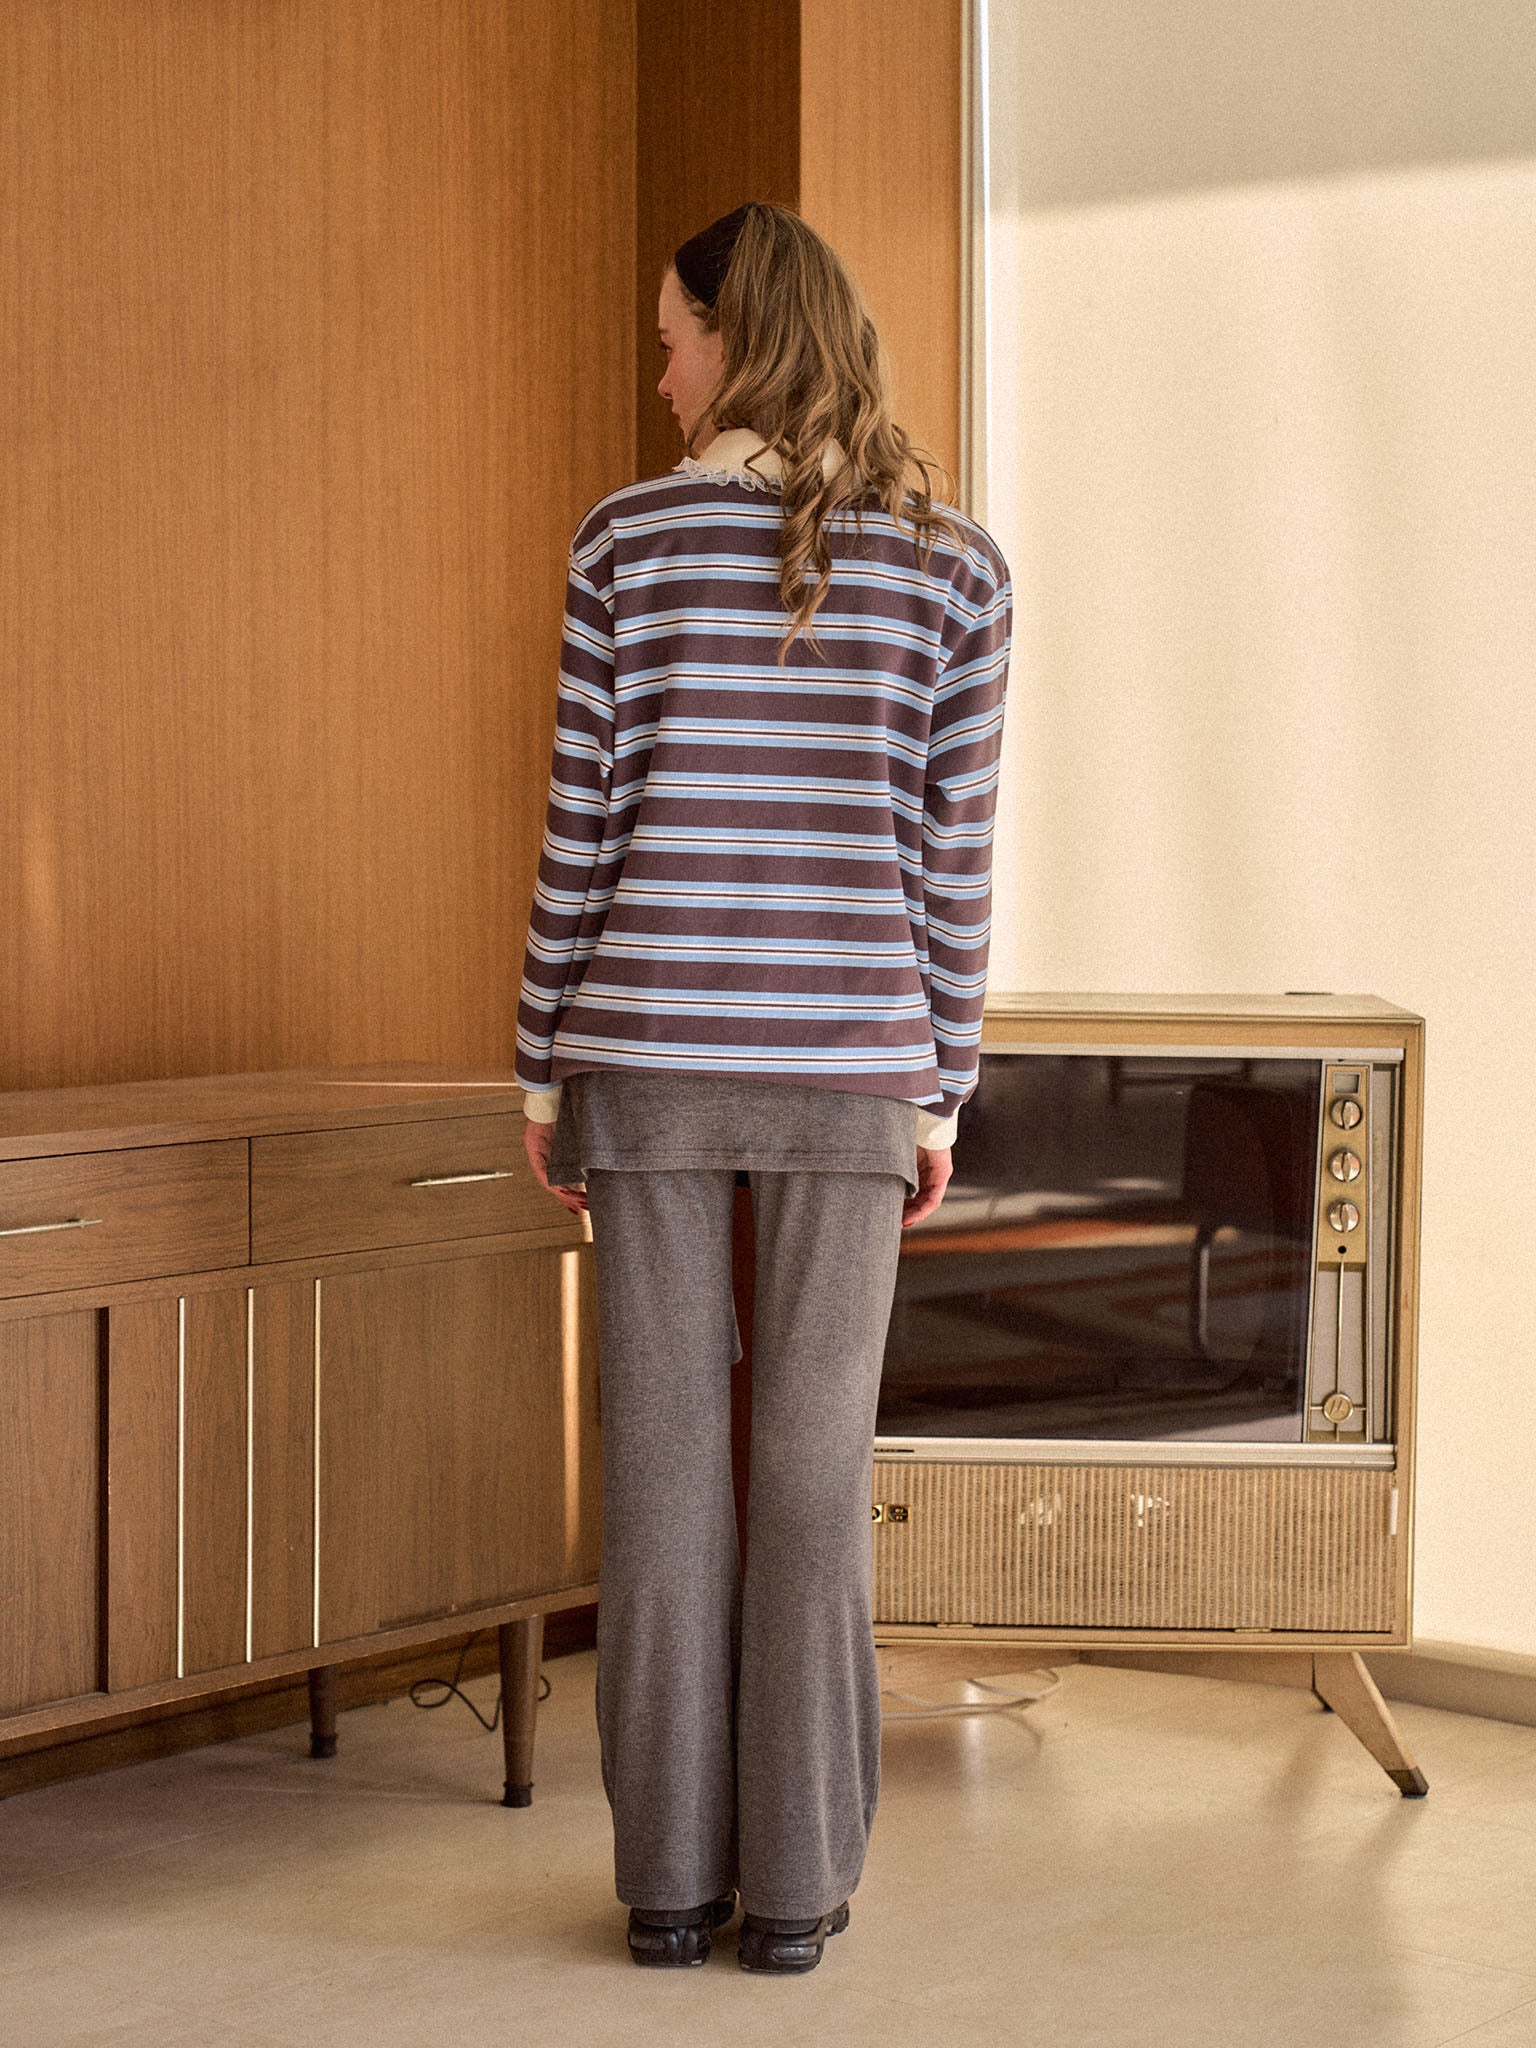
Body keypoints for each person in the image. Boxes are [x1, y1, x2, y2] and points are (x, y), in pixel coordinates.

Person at [513, 200, 1012, 1974]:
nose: (660, 378)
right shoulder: (958, 568)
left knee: (661, 1474)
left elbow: (580, 829)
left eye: (672, 342)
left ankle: (666, 1887)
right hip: (855, 1065)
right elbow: (953, 862)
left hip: (645, 1053)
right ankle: (794, 1896)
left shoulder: (626, 542)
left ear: (737, 339)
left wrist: (541, 1065)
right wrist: (943, 1089)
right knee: (811, 1480)